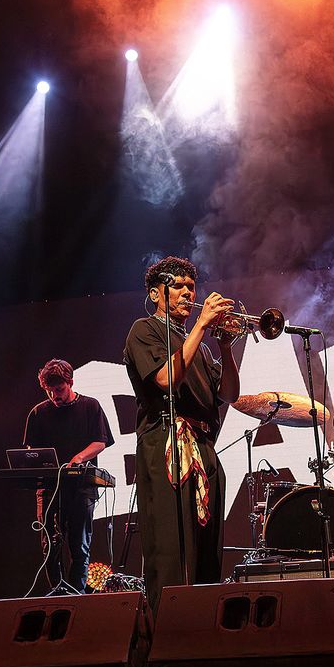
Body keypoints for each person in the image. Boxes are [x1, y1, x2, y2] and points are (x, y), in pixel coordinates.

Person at [123, 256, 240, 613]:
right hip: (166, 445)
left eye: (192, 287)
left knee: (207, 549)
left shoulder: (200, 346)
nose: (189, 293)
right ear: (157, 293)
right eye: (180, 286)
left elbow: (230, 394)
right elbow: (165, 380)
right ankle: (167, 632)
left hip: (203, 449)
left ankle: (202, 630)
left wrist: (224, 346)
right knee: (173, 547)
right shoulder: (144, 330)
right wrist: (203, 325)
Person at [22, 358, 114, 593]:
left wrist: (79, 458)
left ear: (70, 382)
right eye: (49, 391)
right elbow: (31, 451)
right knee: (49, 545)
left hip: (81, 487)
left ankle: (77, 594)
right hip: (49, 488)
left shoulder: (90, 406)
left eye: (59, 389)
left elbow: (100, 441)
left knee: (79, 544)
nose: (55, 395)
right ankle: (57, 593)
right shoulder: (38, 413)